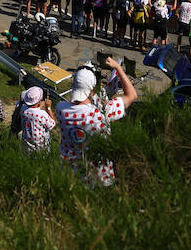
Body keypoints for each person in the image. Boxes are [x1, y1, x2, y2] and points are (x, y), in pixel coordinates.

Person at [55, 58, 138, 187]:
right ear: (92, 89)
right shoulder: (103, 112)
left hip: (70, 177)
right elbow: (132, 95)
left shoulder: (60, 109)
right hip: (99, 178)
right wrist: (118, 68)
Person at [18, 86, 57, 154]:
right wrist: (48, 108)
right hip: (40, 148)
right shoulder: (42, 114)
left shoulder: (23, 109)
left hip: (26, 146)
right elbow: (52, 124)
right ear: (39, 101)